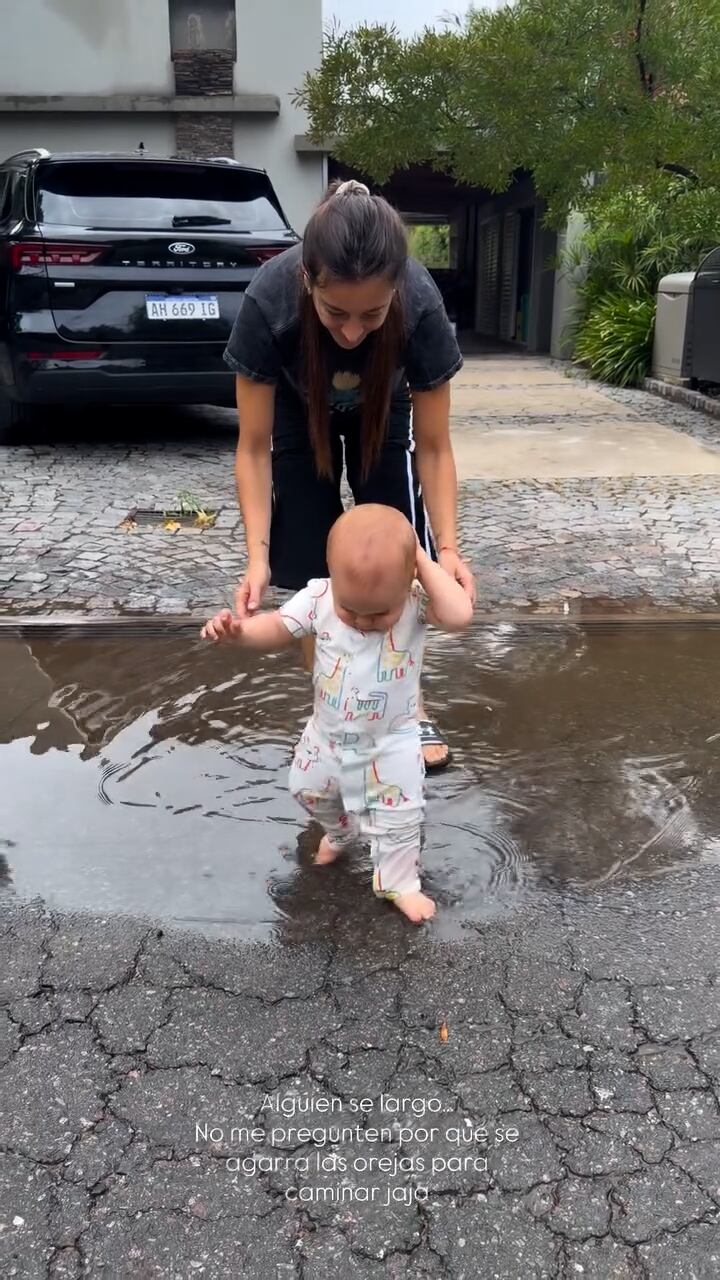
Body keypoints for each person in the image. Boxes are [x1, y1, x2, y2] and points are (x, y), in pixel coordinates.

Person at [223, 177, 475, 772]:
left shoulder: (420, 304)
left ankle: (408, 707)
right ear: (308, 279)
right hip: (296, 412)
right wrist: (257, 556)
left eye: (372, 313)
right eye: (337, 312)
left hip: (383, 413)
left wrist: (449, 547)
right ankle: (332, 709)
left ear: (396, 292)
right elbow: (254, 447)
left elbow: (434, 447)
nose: (354, 331)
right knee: (313, 561)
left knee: (394, 556)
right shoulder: (269, 303)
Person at [202, 505, 473, 923]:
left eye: (380, 615)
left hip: (393, 742)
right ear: (330, 573)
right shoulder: (319, 598)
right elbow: (276, 627)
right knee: (307, 789)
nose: (363, 622)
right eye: (353, 611)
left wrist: (420, 559)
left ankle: (399, 883)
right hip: (326, 737)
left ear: (410, 582)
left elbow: (460, 615)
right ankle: (341, 830)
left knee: (399, 819)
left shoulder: (417, 602)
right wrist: (239, 632)